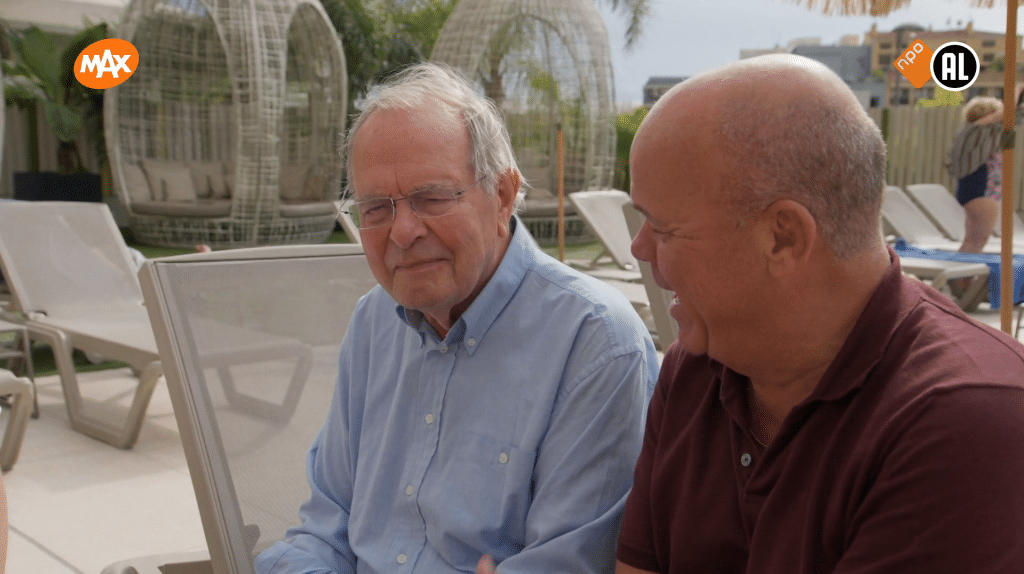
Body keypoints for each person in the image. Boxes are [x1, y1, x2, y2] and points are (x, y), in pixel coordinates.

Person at [616, 54, 1024, 574]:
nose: (639, 249)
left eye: (663, 228)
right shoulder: (696, 369)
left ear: (783, 238)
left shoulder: (968, 420)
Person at [255, 62, 658, 574]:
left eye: (432, 198)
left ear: (504, 195)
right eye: (376, 207)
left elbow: (566, 565)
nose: (402, 231)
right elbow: (324, 529)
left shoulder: (595, 343)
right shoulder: (374, 323)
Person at [946, 87, 1024, 252]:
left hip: (979, 190)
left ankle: (962, 278)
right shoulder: (975, 131)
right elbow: (1008, 113)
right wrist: (1017, 89)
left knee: (973, 240)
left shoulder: (984, 136)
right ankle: (960, 277)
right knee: (977, 241)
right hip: (980, 191)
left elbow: (1014, 117)